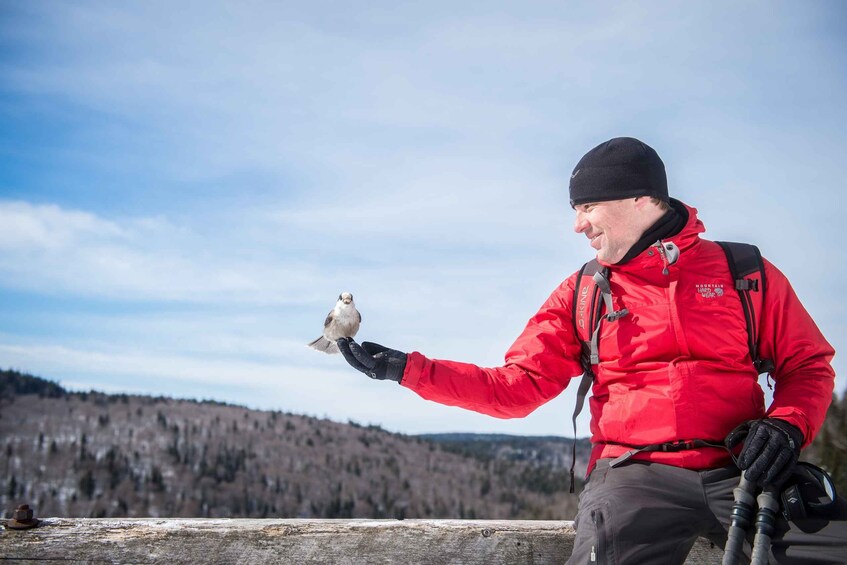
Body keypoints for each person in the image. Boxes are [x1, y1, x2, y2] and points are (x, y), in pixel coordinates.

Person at [337, 137, 845, 563]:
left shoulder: (744, 273)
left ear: (641, 200)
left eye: (587, 207)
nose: (578, 225)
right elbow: (516, 388)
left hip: (742, 470)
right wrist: (407, 370)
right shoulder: (582, 293)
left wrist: (786, 425)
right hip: (634, 477)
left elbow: (807, 364)